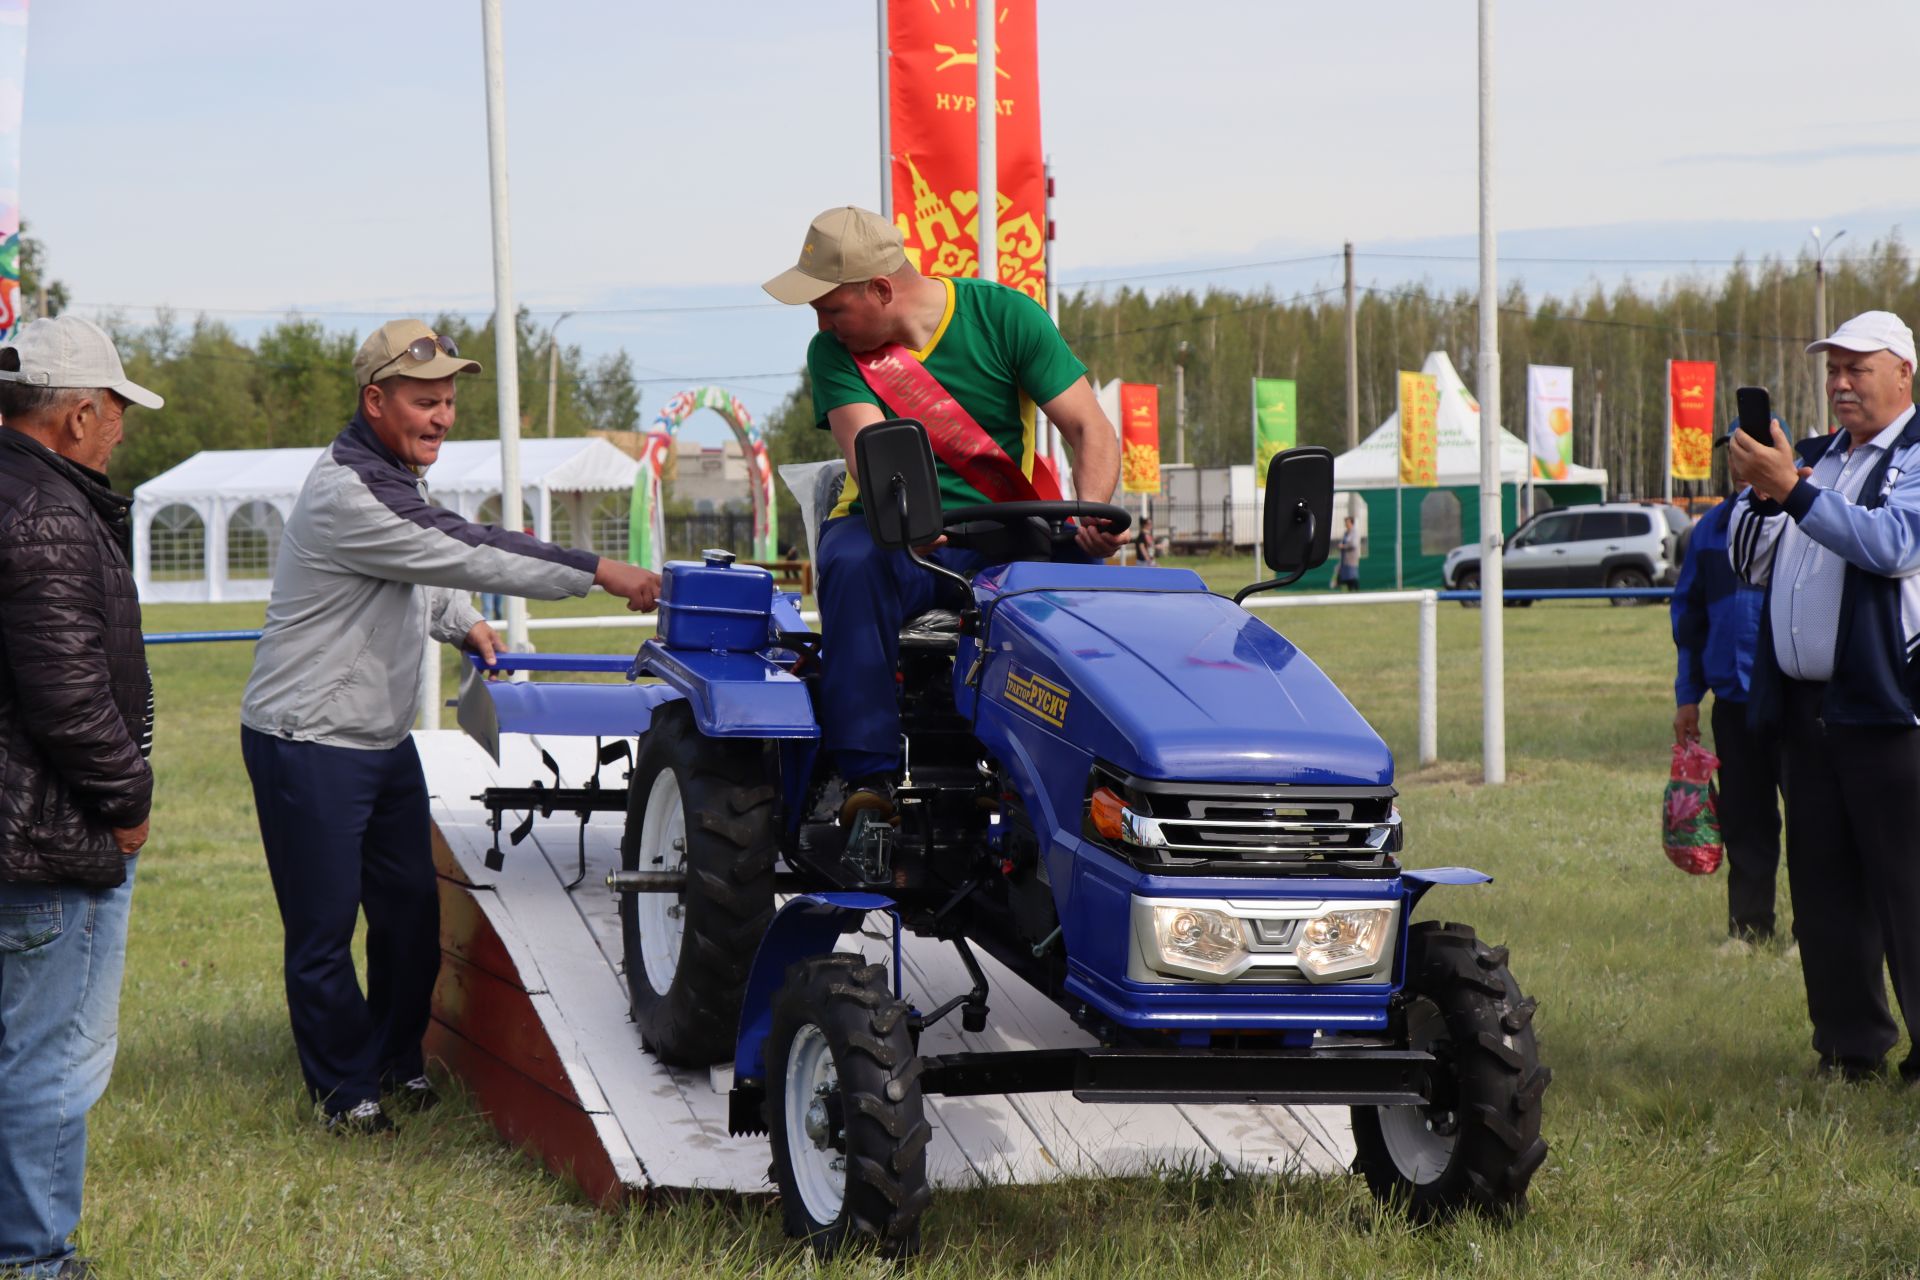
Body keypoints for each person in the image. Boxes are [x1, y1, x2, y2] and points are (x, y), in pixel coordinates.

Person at [240, 320, 661, 1133]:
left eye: (448, 402)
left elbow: (423, 572)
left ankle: (396, 1062)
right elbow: (456, 547)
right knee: (323, 931)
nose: (441, 417)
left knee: (409, 919)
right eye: (424, 401)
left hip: (378, 740)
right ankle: (345, 1096)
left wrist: (464, 625)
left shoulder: (392, 479)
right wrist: (596, 571)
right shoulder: (346, 490)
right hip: (307, 741)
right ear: (375, 401)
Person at [763, 206, 1124, 819]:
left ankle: (1091, 781)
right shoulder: (833, 353)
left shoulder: (1005, 316)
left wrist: (1091, 515)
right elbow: (870, 454)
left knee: (1099, 596)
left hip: (1004, 529)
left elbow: (1091, 428)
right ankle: (867, 783)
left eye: (831, 306)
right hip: (891, 527)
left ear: (880, 289)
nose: (821, 322)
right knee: (853, 564)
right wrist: (908, 520)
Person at [0, 316, 162, 1277]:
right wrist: (127, 803)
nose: (119, 434)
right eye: (114, 414)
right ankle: (33, 1260)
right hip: (48, 839)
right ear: (76, 416)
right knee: (49, 1063)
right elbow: (67, 697)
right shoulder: (52, 513)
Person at [1728, 309, 1920, 1083]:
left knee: (1907, 891)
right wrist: (1770, 495)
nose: (1841, 384)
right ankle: (1849, 1050)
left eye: (1857, 369)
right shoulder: (1810, 458)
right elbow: (1746, 561)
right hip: (1806, 715)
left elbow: (1894, 545)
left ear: (1904, 372)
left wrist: (1796, 495)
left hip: (1889, 712)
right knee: (1825, 893)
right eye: (1832, 370)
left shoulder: (1912, 455)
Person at [1670, 457, 1781, 946]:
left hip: (1797, 698)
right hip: (1734, 703)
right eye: (1736, 454)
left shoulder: (1808, 516)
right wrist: (1688, 696)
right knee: (1744, 817)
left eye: (1756, 451)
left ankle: (1816, 932)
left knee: (1815, 821)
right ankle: (1750, 929)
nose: (1744, 465)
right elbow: (1689, 616)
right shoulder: (1711, 528)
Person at [1333, 515, 1361, 591]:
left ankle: (1357, 591)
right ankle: (1350, 591)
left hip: (1351, 559)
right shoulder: (1346, 533)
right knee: (1347, 577)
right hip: (1345, 559)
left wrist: (1343, 546)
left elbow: (1354, 544)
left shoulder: (1354, 533)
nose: (1345, 524)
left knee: (1352, 576)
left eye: (1347, 522)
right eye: (1345, 522)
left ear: (1351, 523)